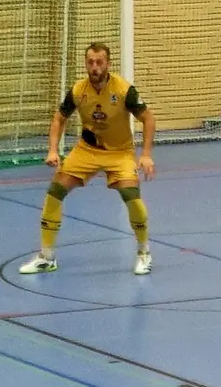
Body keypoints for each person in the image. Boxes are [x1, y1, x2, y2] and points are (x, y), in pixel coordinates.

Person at [19, 42, 156, 276]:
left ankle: (144, 252)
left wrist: (145, 155)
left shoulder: (124, 90)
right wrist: (53, 150)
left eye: (99, 62)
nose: (94, 67)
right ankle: (47, 256)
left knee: (131, 196)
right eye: (90, 62)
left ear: (108, 64)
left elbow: (148, 119)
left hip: (119, 152)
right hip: (86, 151)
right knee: (55, 192)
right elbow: (58, 119)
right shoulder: (78, 90)